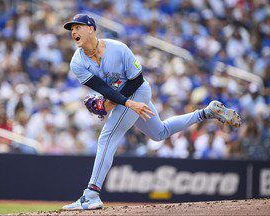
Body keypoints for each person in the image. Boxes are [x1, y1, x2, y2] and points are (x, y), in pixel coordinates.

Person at [62, 14, 241, 210]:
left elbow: (137, 80)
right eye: (71, 30)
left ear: (91, 29)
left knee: (107, 137)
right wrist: (113, 103)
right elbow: (104, 89)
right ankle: (206, 113)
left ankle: (91, 195)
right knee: (159, 133)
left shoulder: (118, 48)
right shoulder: (77, 62)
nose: (73, 32)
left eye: (78, 27)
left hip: (138, 91)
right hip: (123, 98)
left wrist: (122, 104)